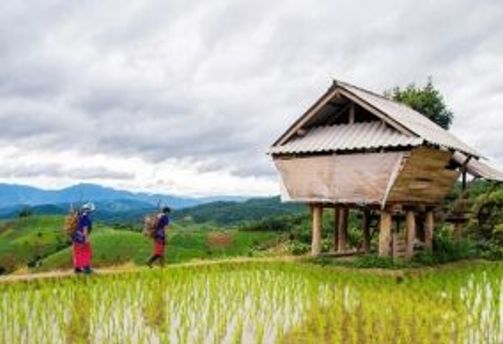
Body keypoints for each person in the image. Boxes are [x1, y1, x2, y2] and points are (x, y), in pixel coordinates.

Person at [72, 202, 95, 274]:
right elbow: (85, 229)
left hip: (75, 237)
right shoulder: (85, 218)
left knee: (77, 252)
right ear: (89, 210)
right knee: (87, 252)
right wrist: (86, 239)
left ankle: (77, 268)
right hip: (82, 238)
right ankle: (86, 268)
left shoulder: (78, 216)